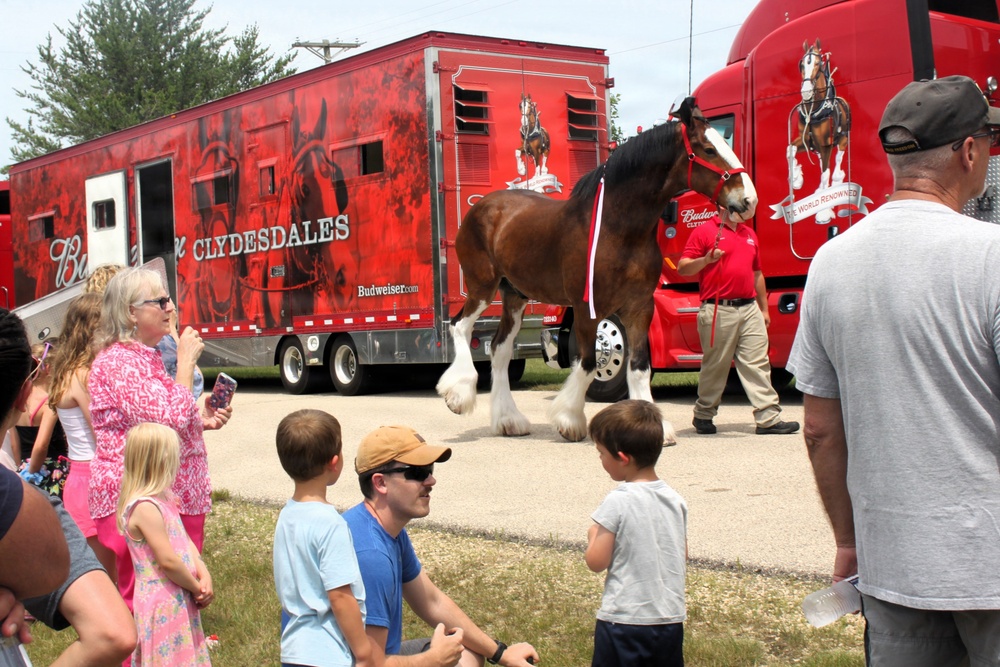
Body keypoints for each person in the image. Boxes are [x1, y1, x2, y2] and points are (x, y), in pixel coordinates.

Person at [787, 75, 1000, 665]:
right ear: (969, 151)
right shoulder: (991, 256)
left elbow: (819, 430)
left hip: (892, 565)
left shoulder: (829, 263)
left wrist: (849, 541)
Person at [88, 267, 232, 611]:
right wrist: (184, 364)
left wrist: (201, 418)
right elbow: (164, 422)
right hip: (137, 500)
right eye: (161, 300)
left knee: (172, 599)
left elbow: (167, 415)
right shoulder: (119, 361)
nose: (170, 307)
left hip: (161, 494)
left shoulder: (142, 357)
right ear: (129, 312)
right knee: (146, 599)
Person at [1, 308, 135, 666]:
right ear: (23, 393)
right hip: (90, 481)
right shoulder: (19, 506)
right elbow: (113, 633)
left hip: (74, 478)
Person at [344, 425, 539, 667]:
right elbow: (369, 665)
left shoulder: (387, 530)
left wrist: (500, 653)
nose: (431, 480)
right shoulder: (371, 555)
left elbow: (431, 601)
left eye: (430, 470)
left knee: (466, 652)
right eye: (417, 472)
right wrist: (432, 660)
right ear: (380, 483)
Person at [677, 206, 799, 435]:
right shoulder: (704, 231)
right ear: (724, 205)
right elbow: (683, 267)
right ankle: (704, 413)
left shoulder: (749, 234)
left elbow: (757, 273)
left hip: (750, 307)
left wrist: (764, 309)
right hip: (718, 309)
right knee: (716, 365)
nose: (746, 209)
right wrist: (706, 259)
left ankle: (768, 418)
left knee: (758, 362)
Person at [584, 400, 687, 667]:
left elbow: (597, 562)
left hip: (624, 619)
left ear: (623, 458)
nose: (600, 459)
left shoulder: (617, 501)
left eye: (601, 453)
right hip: (669, 619)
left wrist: (593, 535)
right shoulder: (675, 500)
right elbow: (682, 553)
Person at [273, 409, 374, 667]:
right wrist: (363, 651)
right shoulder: (331, 524)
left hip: (294, 649)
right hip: (328, 653)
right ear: (335, 461)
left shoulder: (287, 516)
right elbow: (339, 596)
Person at [118, 422, 213, 666]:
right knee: (168, 658)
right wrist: (195, 587)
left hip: (177, 595)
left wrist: (203, 572)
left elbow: (184, 539)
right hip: (162, 600)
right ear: (160, 461)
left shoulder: (164, 499)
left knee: (183, 656)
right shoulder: (145, 508)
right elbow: (168, 560)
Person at [48, 292, 118, 578]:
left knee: (95, 571)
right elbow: (102, 432)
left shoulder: (63, 371)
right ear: (92, 328)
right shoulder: (85, 374)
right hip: (95, 477)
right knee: (112, 574)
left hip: (76, 477)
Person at [15, 341, 70, 495]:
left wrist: (23, 472)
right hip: (51, 471)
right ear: (49, 369)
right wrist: (32, 473)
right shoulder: (48, 402)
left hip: (24, 467)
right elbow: (41, 445)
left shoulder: (19, 400)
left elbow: (15, 445)